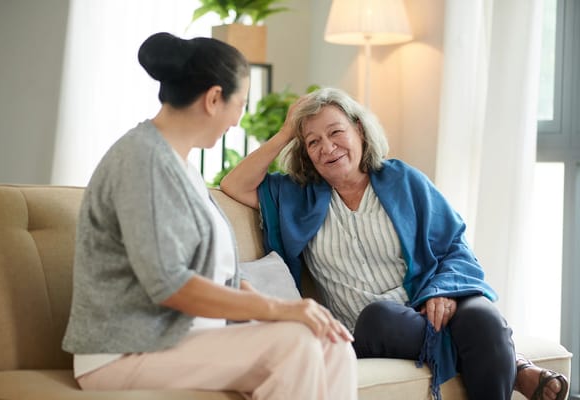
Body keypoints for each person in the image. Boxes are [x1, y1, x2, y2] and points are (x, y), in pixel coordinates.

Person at [220, 87, 569, 400]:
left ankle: (499, 355)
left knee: (483, 317)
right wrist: (285, 131)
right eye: (312, 142)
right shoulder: (295, 196)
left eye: (336, 132)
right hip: (374, 328)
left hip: (430, 308)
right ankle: (516, 366)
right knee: (379, 317)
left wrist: (442, 291)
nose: (327, 147)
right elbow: (234, 185)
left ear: (358, 129)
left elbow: (455, 246)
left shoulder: (404, 180)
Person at [61, 33, 358, 400]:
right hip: (127, 349)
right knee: (294, 344)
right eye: (240, 105)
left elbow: (224, 279)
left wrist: (296, 309)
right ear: (214, 99)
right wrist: (276, 308)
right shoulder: (143, 160)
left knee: (333, 343)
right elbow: (170, 284)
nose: (237, 122)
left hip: (186, 340)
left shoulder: (183, 168)